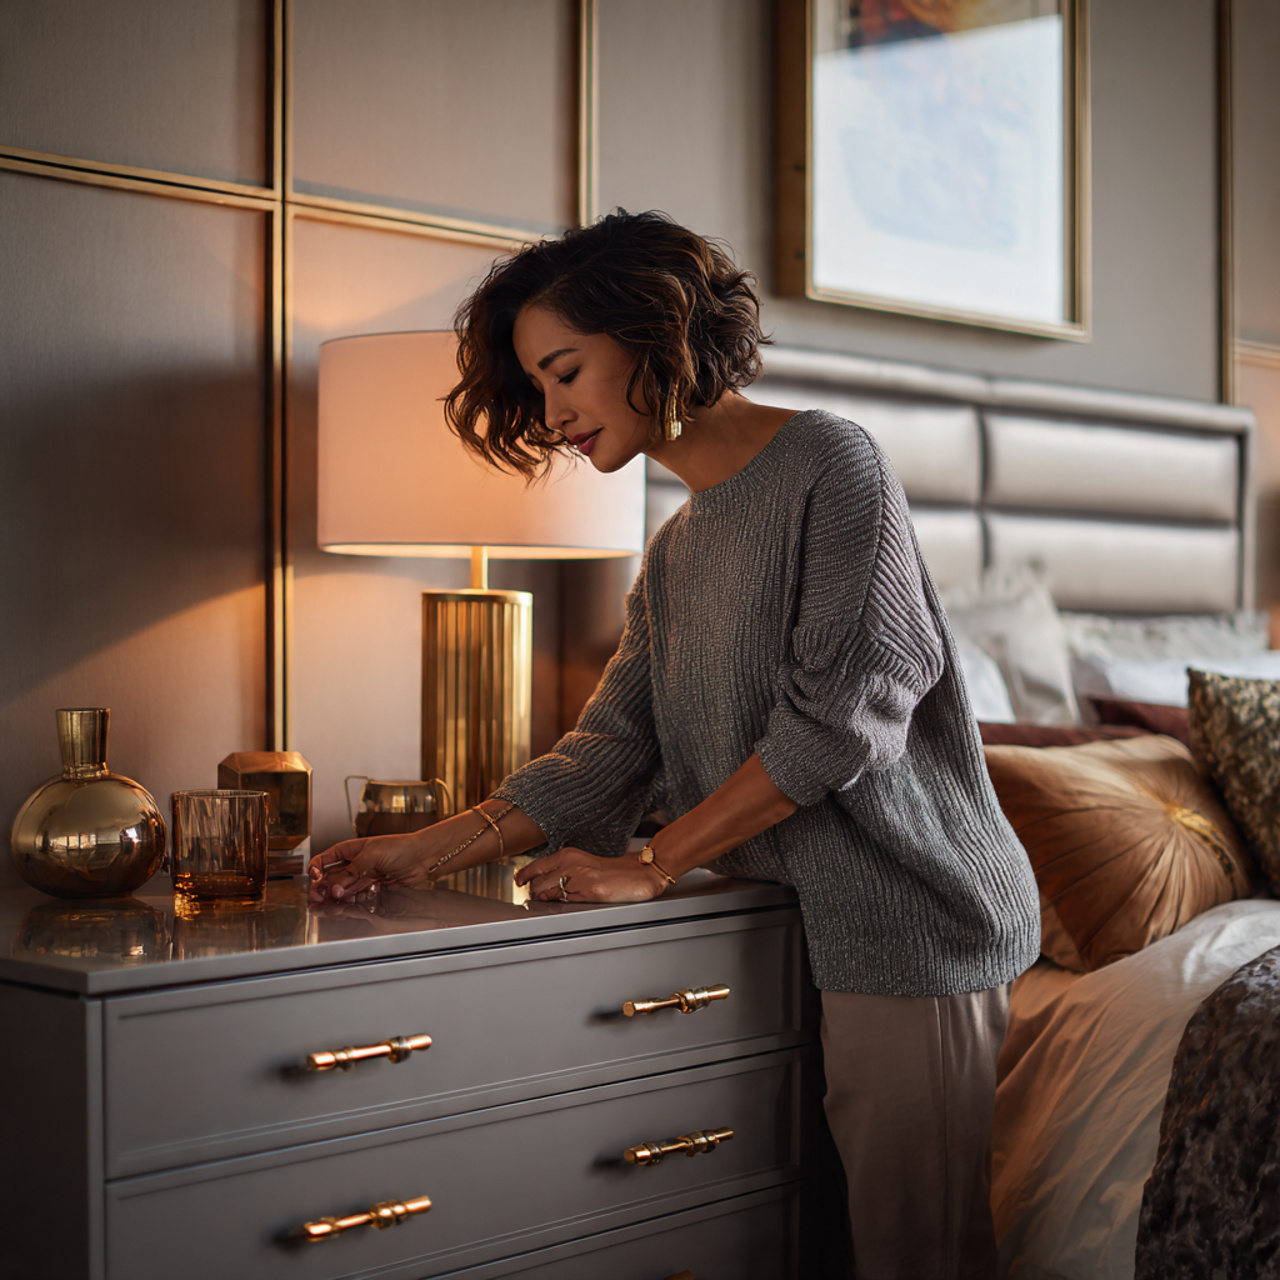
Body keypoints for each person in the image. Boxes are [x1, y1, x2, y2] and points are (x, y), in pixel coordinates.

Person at [308, 210, 1040, 1279]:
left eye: (566, 372)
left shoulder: (830, 463)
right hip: (777, 932)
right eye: (538, 388)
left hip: (907, 922)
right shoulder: (675, 545)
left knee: (914, 1256)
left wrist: (651, 862)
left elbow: (840, 719)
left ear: (654, 335)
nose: (554, 414)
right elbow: (607, 747)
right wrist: (418, 848)